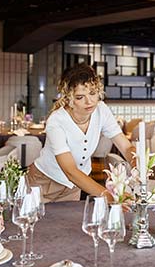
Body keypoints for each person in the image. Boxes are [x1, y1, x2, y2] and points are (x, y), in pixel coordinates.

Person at [28, 63, 136, 202]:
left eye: (93, 93)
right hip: (43, 183)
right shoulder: (56, 120)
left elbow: (126, 147)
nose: (89, 101)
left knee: (69, 223)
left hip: (75, 185)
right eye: (80, 97)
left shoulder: (101, 110)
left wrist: (137, 164)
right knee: (37, 222)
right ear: (69, 99)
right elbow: (70, 171)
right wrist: (109, 196)